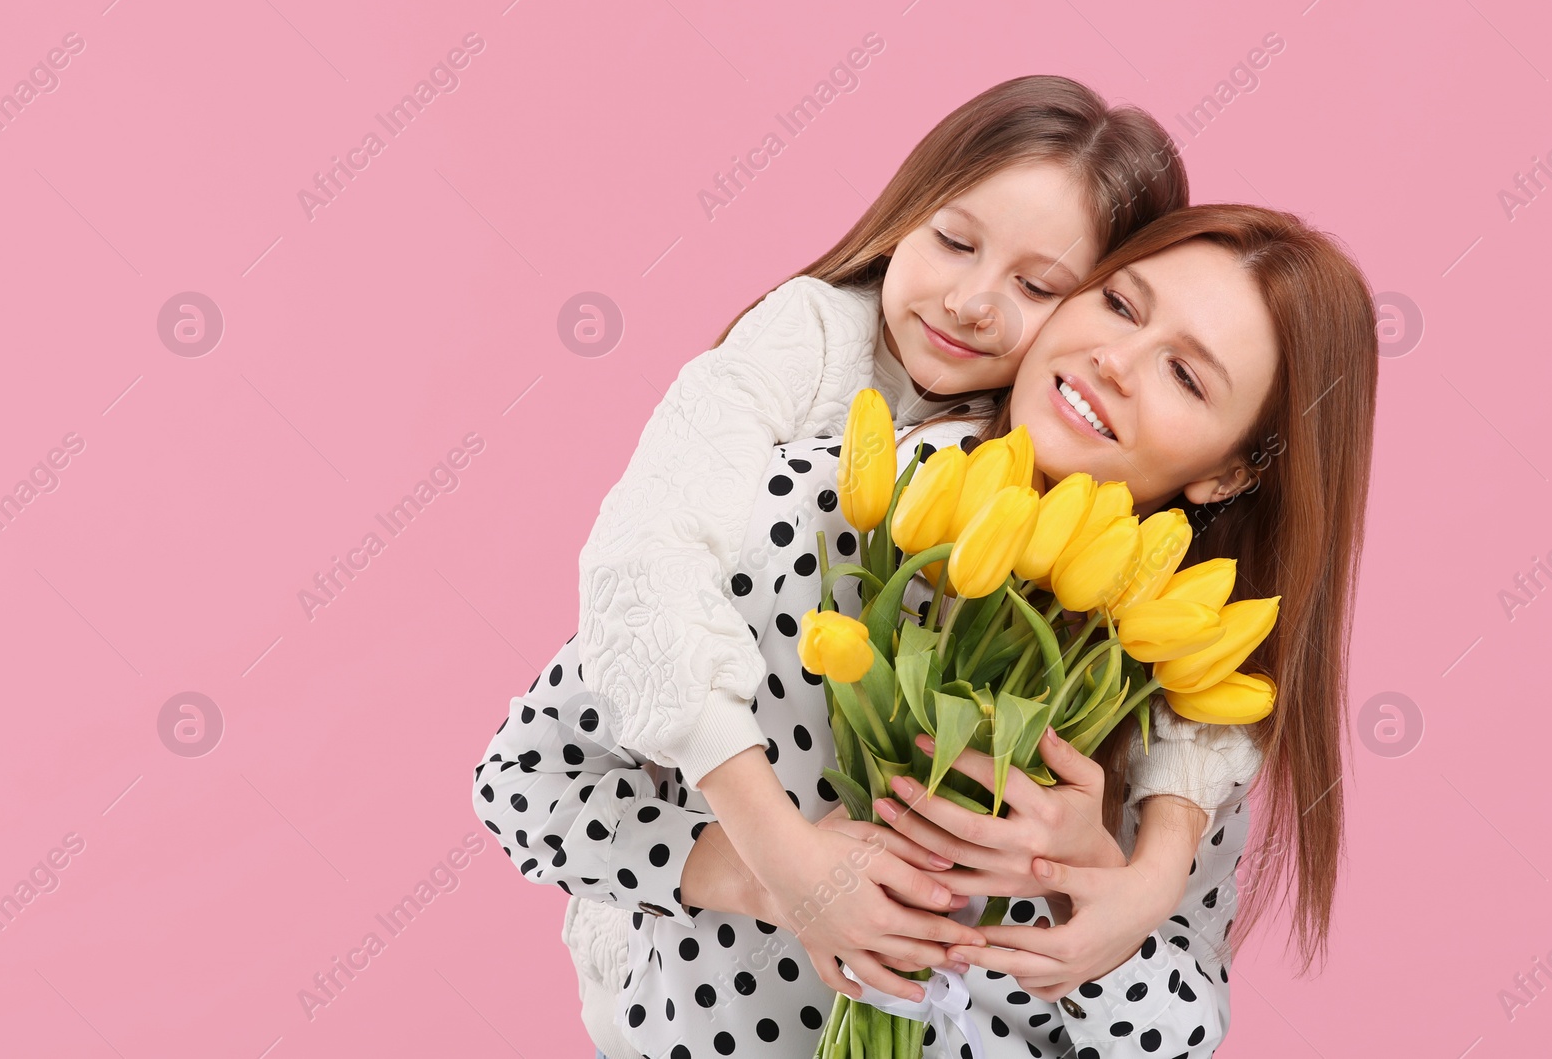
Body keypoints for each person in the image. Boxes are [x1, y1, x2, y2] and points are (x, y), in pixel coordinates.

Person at [474, 204, 1378, 1056]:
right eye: (1116, 303)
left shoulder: (1176, 689)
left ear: (1228, 474)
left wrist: (1098, 899)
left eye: (1184, 374)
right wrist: (762, 874)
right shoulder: (812, 515)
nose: (1115, 358)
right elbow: (527, 781)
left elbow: (1181, 1031)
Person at [570, 76, 1214, 1056]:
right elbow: (638, 558)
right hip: (687, 978)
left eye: (1038, 287)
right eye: (954, 240)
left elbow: (1180, 1007)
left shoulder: (1085, 509)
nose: (968, 300)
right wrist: (779, 860)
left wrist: (1154, 868)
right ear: (905, 213)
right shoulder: (809, 364)